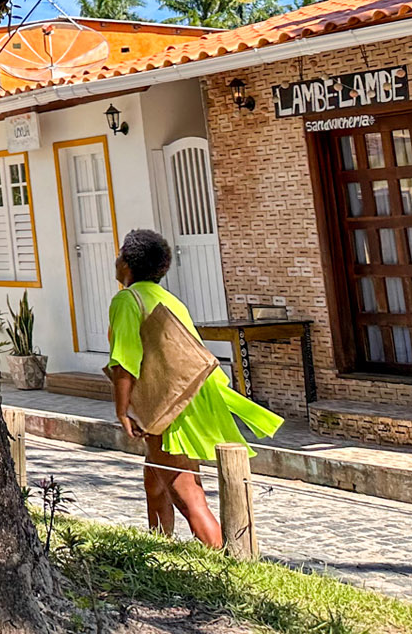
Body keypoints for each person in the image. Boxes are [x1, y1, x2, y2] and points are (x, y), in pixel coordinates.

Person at [106, 229, 282, 546]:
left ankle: (227, 558)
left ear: (127, 265)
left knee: (187, 494)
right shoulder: (171, 300)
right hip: (193, 399)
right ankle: (159, 542)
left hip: (166, 405)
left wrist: (122, 411)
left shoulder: (126, 300)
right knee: (155, 479)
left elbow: (124, 362)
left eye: (120, 255)